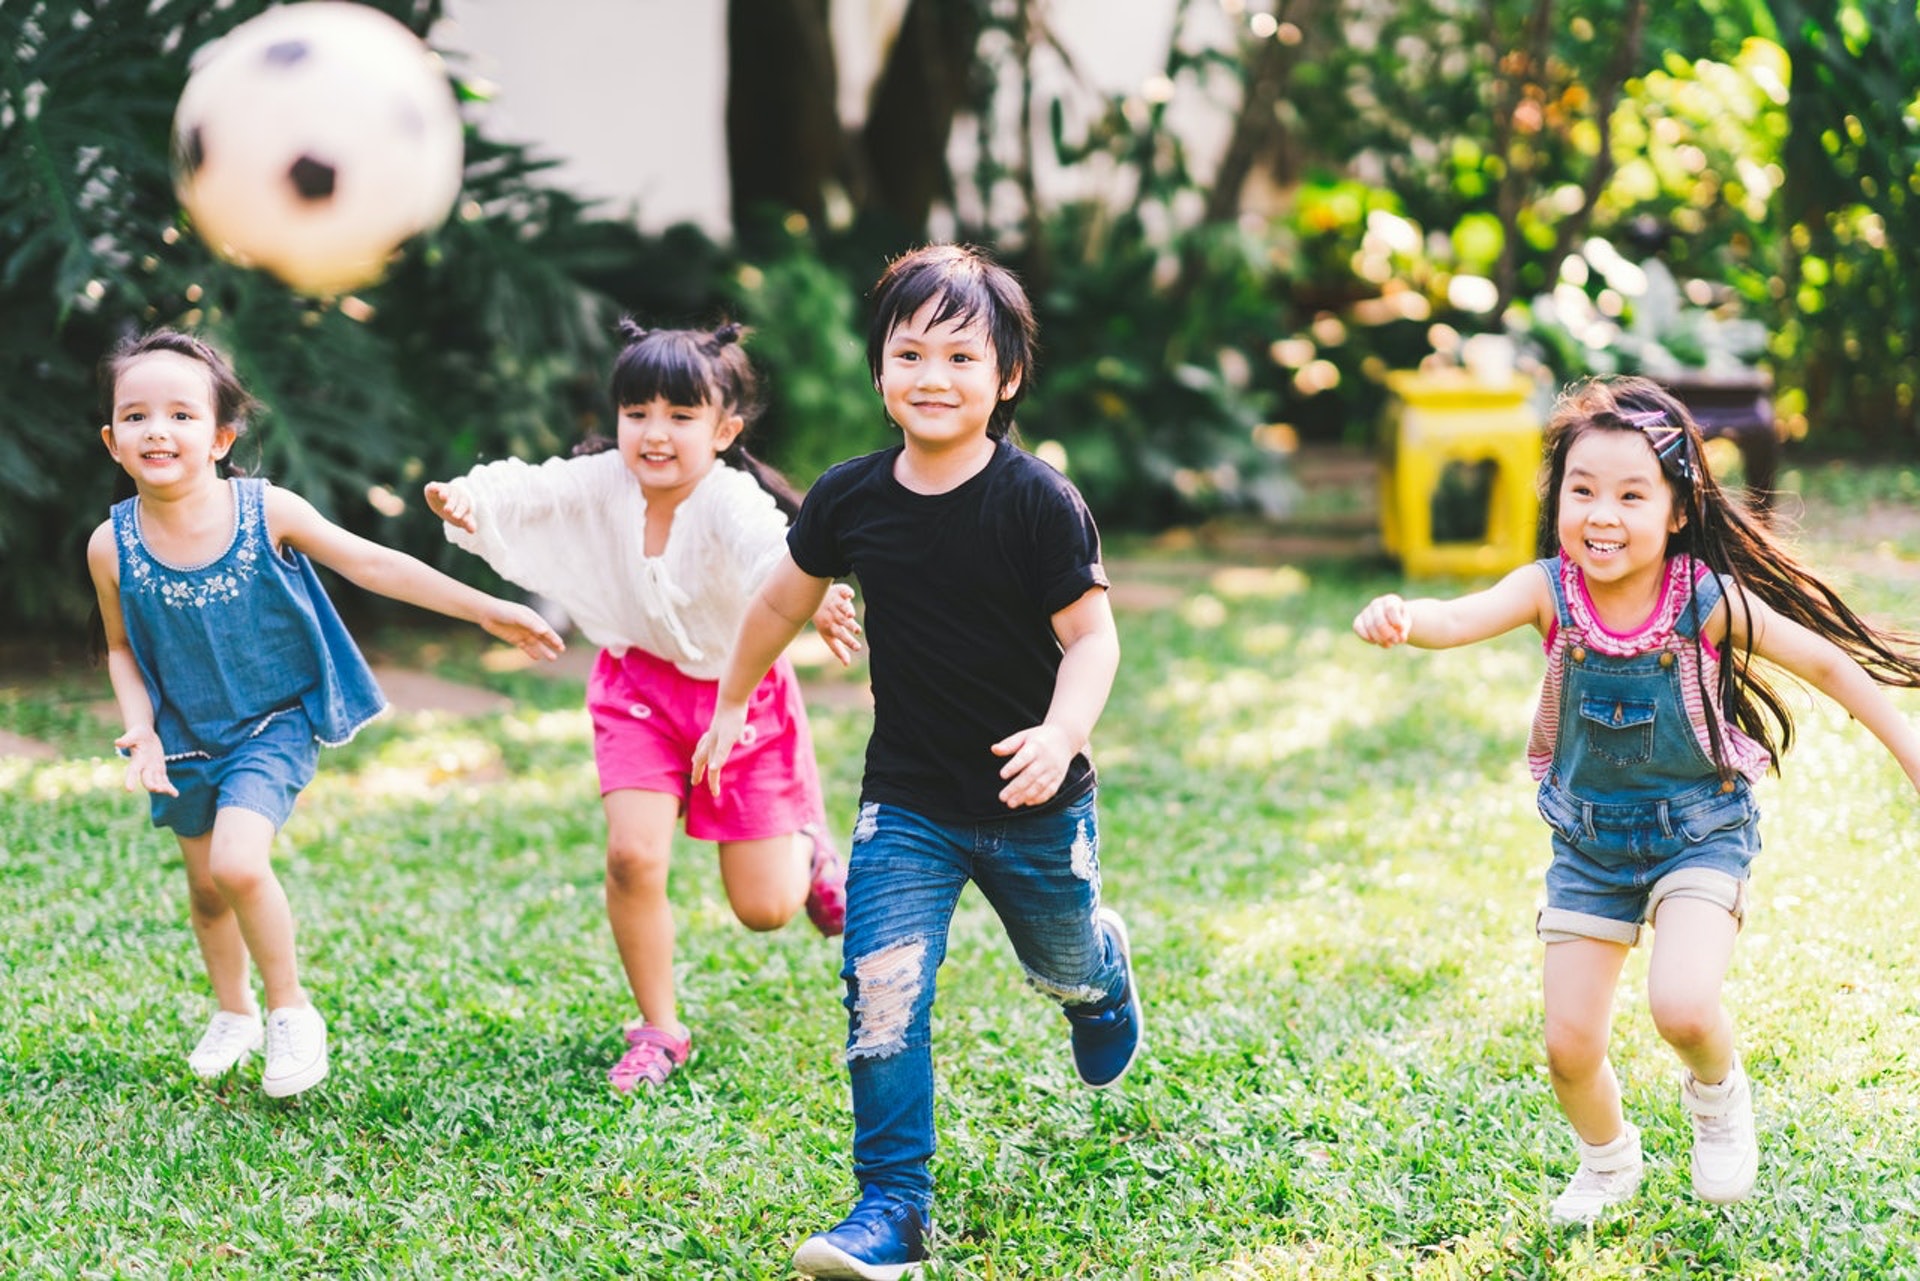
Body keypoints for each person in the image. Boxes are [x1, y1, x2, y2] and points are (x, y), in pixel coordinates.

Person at [1353, 375, 1920, 1225]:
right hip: (1589, 846)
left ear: (1678, 510)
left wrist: (1911, 751)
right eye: (1582, 491)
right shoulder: (1549, 589)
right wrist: (1404, 616)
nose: (1602, 514)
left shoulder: (1704, 600)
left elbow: (1830, 666)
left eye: (1629, 493)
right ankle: (1608, 1162)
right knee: (1568, 1046)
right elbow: (1459, 616)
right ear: (1558, 502)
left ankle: (1719, 1096)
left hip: (1700, 833)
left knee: (1683, 1005)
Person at [694, 244, 1144, 1280]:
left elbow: (1093, 640)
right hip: (907, 805)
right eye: (909, 352)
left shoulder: (1039, 501)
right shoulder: (850, 499)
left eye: (960, 354)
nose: (932, 376)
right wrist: (727, 706)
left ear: (1008, 376)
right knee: (880, 986)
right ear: (880, 370)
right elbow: (778, 603)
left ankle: (1100, 980)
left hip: (1035, 805)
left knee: (1060, 963)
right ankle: (890, 1206)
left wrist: (1062, 733)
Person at [88, 328, 566, 1099]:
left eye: (182, 413)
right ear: (113, 441)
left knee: (237, 863)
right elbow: (119, 647)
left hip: (271, 720)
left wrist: (484, 610)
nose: (158, 429)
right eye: (136, 415)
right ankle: (234, 1011)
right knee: (207, 890)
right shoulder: (110, 546)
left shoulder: (264, 508)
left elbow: (372, 562)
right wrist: (139, 725)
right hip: (183, 734)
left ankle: (290, 1009)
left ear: (220, 437)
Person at [425, 319, 860, 1094]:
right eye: (637, 414)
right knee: (632, 856)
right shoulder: (604, 484)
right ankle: (659, 1026)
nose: (654, 434)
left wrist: (815, 594)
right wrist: (469, 498)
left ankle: (811, 850)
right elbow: (530, 485)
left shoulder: (729, 498)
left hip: (739, 693)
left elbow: (774, 552)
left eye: (681, 416)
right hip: (635, 691)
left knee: (765, 908)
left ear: (724, 429)